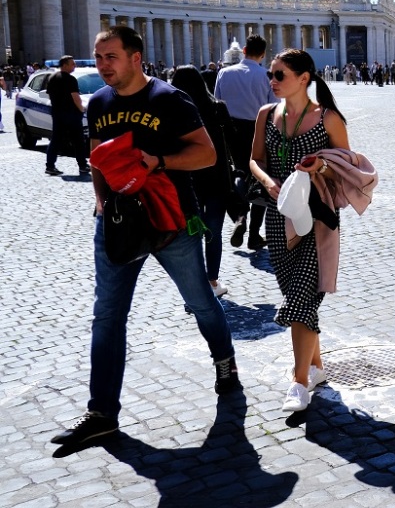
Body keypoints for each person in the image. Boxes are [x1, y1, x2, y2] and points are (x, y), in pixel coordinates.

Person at [52, 26, 240, 449]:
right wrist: (101, 202)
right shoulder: (99, 102)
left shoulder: (170, 99)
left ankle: (224, 361)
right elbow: (97, 157)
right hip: (119, 222)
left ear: (135, 57)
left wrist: (159, 161)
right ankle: (101, 412)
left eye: (110, 57)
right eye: (99, 58)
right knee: (107, 316)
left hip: (172, 221)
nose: (102, 66)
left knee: (199, 301)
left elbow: (206, 154)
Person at [249, 49, 350, 411]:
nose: (272, 81)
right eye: (271, 75)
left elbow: (348, 166)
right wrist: (266, 181)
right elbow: (254, 159)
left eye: (279, 75)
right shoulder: (266, 115)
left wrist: (320, 165)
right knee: (298, 294)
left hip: (316, 216)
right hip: (279, 215)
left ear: (304, 78)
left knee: (300, 298)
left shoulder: (328, 118)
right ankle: (317, 367)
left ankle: (299, 381)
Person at [171, 65, 236, 298]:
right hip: (216, 177)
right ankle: (212, 280)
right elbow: (233, 142)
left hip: (185, 178)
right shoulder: (217, 108)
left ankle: (194, 284)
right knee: (213, 231)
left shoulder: (171, 110)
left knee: (190, 232)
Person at [215, 35, 275, 251]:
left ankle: (240, 217)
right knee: (260, 177)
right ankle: (255, 235)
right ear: (263, 54)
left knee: (238, 173)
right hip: (258, 129)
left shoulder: (224, 73)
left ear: (244, 49)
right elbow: (273, 109)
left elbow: (217, 105)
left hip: (231, 132)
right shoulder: (266, 76)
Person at [45, 55, 90, 176]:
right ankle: (82, 165)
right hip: (71, 114)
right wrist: (81, 109)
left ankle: (50, 165)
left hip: (57, 113)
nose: (74, 66)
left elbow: (49, 95)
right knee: (78, 141)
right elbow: (75, 97)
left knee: (55, 139)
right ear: (64, 65)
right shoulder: (70, 79)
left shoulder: (52, 77)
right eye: (72, 64)